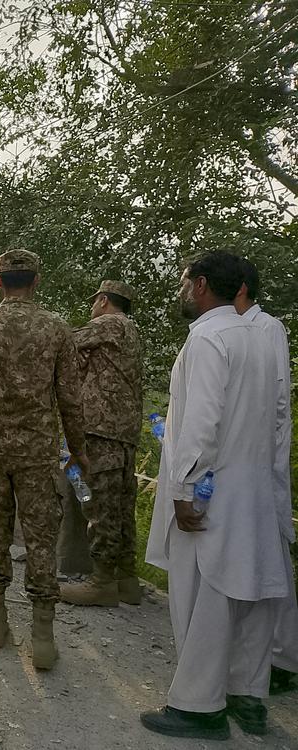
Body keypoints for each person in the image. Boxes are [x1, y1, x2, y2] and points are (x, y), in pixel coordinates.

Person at [141, 252, 288, 740]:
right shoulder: (263, 336)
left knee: (205, 598)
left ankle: (198, 707)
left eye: (185, 282)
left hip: (211, 491)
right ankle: (248, 697)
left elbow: (203, 421)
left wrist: (184, 489)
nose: (182, 291)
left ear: (202, 284)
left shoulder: (207, 337)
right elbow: (276, 419)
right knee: (249, 594)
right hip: (253, 486)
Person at [0, 249, 87, 670]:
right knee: (41, 538)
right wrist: (78, 450)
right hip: (39, 452)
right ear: (36, 281)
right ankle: (42, 636)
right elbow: (70, 398)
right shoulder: (57, 328)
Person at [233, 258, 297, 696]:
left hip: (260, 458)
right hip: (246, 459)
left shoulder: (267, 327)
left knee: (271, 557)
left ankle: (282, 655)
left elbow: (275, 403)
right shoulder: (231, 331)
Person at [60, 281, 144, 607]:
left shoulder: (107, 324)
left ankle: (102, 581)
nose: (92, 308)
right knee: (122, 504)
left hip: (101, 429)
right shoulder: (131, 331)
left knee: (97, 503)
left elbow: (66, 343)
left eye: (95, 302)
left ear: (104, 300)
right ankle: (127, 577)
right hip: (124, 430)